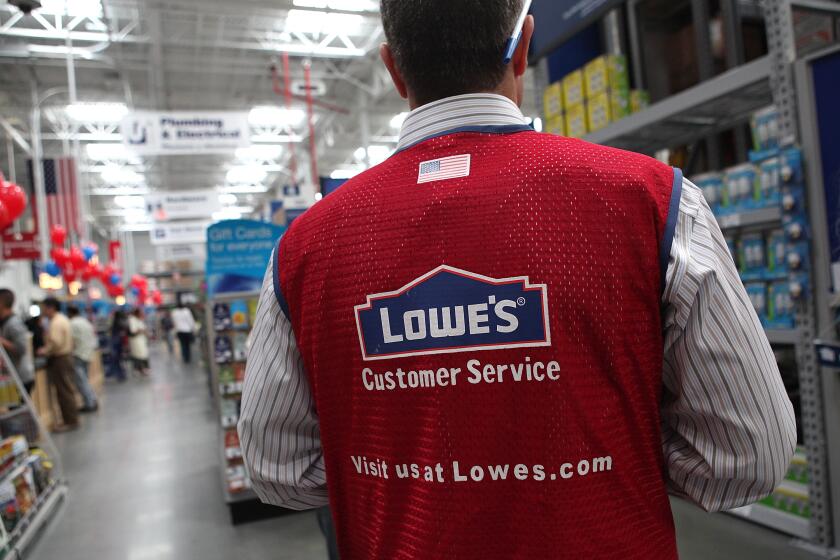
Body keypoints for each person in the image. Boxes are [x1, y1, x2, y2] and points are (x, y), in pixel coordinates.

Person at [238, 2, 797, 558]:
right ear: (523, 45)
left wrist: (405, 476)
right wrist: (617, 454)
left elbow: (277, 470)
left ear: (392, 68)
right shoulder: (652, 201)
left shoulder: (304, 248)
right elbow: (748, 456)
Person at [37, 298, 79, 431]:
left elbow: (56, 342)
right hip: (66, 357)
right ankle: (70, 419)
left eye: (44, 308)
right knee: (67, 389)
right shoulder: (63, 319)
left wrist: (44, 350)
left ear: (51, 308)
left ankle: (70, 421)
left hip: (60, 359)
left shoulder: (56, 322)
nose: (43, 311)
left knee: (64, 391)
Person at [0, 289, 35, 394]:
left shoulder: (13, 323)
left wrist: (2, 342)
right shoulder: (5, 323)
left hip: (21, 377)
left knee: (20, 409)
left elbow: (21, 349)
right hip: (12, 376)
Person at [67, 306, 99, 412]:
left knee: (81, 381)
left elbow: (71, 340)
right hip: (88, 354)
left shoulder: (72, 323)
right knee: (84, 379)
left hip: (79, 354)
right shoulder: (85, 322)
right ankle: (92, 400)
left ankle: (89, 403)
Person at [107, 310, 129, 382]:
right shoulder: (122, 322)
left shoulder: (116, 323)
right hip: (120, 344)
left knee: (116, 360)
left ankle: (120, 375)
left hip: (116, 344)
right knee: (120, 360)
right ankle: (121, 374)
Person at [128, 308, 150, 376]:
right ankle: (139, 369)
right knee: (138, 355)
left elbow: (144, 329)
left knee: (144, 354)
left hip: (141, 340)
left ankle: (144, 368)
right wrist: (141, 331)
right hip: (136, 340)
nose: (142, 314)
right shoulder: (132, 319)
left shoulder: (140, 320)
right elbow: (133, 331)